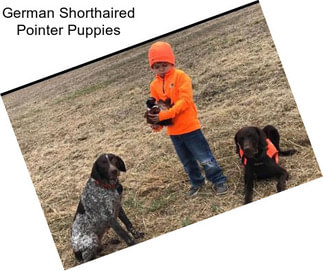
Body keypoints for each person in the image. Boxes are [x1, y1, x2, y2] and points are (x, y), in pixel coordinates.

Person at [146, 41, 228, 197]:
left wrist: (165, 115)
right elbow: (157, 107)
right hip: (174, 132)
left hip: (190, 128)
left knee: (204, 157)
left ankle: (218, 180)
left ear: (171, 61)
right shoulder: (154, 85)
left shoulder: (181, 76)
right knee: (187, 161)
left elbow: (185, 101)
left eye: (164, 64)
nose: (161, 69)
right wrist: (156, 123)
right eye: (156, 66)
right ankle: (197, 182)